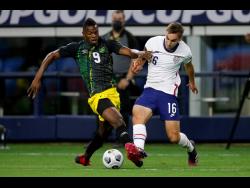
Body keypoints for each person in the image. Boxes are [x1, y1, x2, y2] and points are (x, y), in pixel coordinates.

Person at [27, 18, 151, 167]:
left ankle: (85, 157)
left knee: (103, 133)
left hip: (113, 94)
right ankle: (131, 148)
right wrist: (37, 77)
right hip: (97, 96)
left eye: (96, 32)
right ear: (84, 34)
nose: (94, 35)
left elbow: (130, 52)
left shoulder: (107, 44)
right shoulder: (76, 48)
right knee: (119, 122)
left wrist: (143, 53)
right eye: (90, 33)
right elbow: (52, 55)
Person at [128, 22, 199, 167]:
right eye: (168, 38)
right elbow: (144, 56)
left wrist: (192, 82)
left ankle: (191, 149)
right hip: (150, 89)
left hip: (168, 94)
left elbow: (189, 67)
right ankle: (138, 151)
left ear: (179, 39)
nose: (169, 42)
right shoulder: (153, 42)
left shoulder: (185, 50)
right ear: (165, 34)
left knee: (173, 137)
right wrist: (139, 64)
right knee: (137, 114)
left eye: (173, 40)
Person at [103, 10, 140, 147]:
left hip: (124, 79)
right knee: (103, 109)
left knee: (123, 110)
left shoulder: (130, 37)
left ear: (124, 20)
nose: (117, 21)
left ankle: (121, 139)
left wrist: (128, 79)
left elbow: (136, 59)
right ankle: (100, 139)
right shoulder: (105, 37)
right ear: (111, 20)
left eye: (119, 19)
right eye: (115, 19)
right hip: (108, 79)